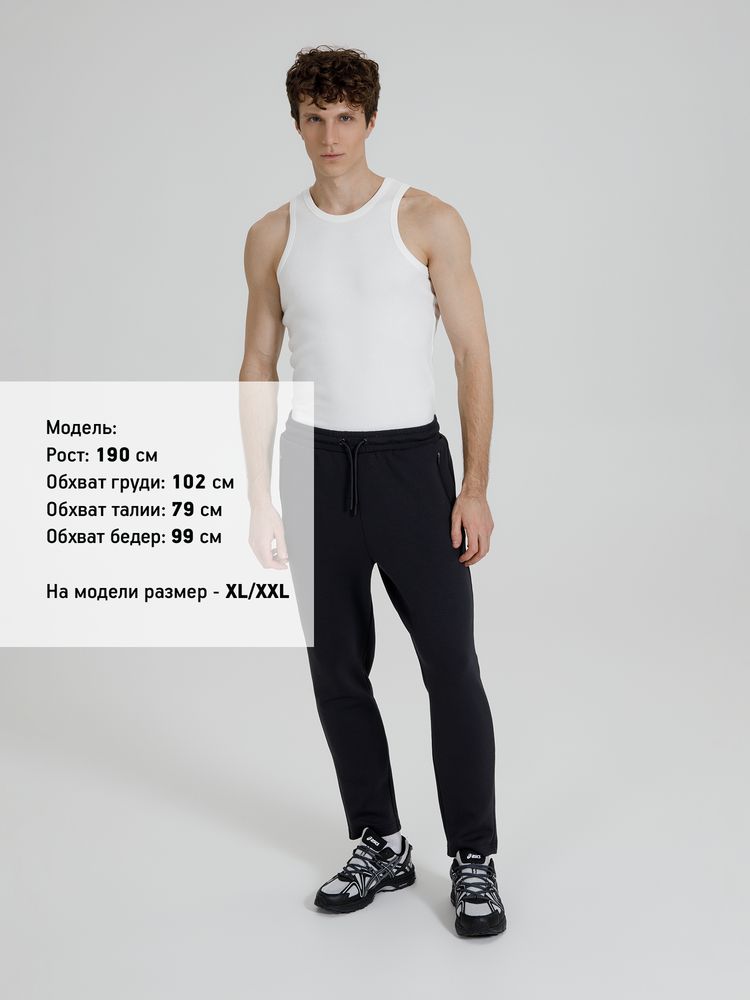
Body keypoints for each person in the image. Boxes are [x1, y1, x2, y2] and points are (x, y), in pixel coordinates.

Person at [239, 44, 506, 938]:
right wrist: (260, 497)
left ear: (370, 119)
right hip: (313, 465)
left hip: (408, 469)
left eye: (345, 117)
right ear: (296, 124)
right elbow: (257, 364)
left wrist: (474, 486)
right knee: (336, 670)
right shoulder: (273, 235)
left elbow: (472, 355)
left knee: (450, 669)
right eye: (314, 118)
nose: (330, 135)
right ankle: (380, 841)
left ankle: (474, 858)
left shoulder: (426, 219)